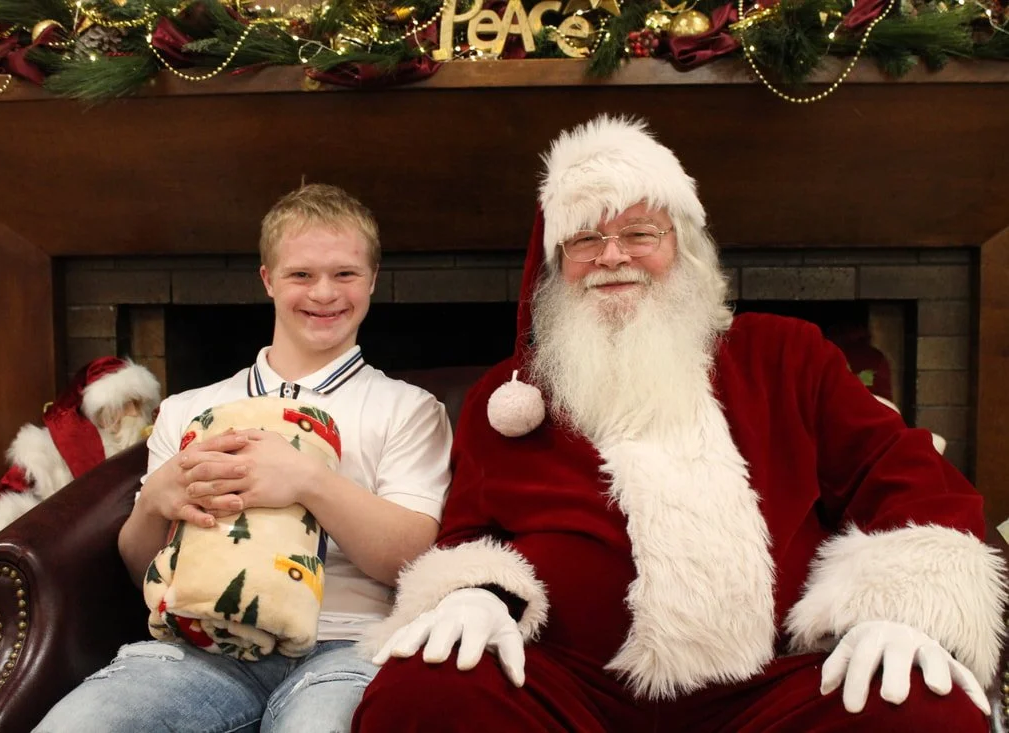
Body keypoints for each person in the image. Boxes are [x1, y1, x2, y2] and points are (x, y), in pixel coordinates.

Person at [353, 116, 1007, 732]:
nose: (613, 256)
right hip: (568, 690)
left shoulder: (785, 355)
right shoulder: (511, 397)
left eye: (640, 233)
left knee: (919, 706)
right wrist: (477, 595)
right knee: (422, 690)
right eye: (585, 238)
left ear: (682, 247)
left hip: (771, 689)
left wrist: (899, 611)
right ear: (556, 266)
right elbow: (470, 531)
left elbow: (906, 473)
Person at [36, 183, 453, 732]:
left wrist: (309, 481)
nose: (324, 293)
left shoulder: (408, 409)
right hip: (201, 646)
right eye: (301, 274)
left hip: (348, 647)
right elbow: (144, 568)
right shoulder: (190, 409)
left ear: (372, 280)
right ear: (268, 280)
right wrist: (154, 504)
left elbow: (412, 559)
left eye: (345, 274)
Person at [0, 356, 161, 547]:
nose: (136, 414)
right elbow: (4, 506)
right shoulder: (45, 452)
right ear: (101, 411)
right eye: (126, 405)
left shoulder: (148, 444)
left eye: (138, 404)